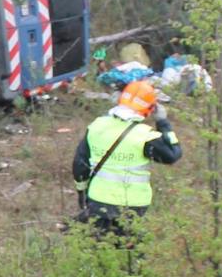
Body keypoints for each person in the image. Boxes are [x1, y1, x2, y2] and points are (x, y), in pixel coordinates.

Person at [72, 79, 182, 231]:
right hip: (133, 206)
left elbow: (79, 164)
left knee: (98, 246)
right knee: (129, 249)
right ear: (150, 109)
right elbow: (173, 154)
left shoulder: (96, 126)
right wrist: (163, 123)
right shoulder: (145, 136)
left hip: (98, 201)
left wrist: (81, 192)